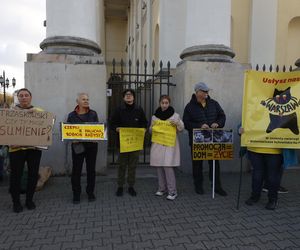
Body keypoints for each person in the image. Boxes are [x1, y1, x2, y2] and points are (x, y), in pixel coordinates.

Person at [183, 82, 227, 196]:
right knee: (197, 164)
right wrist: (199, 126)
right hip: (197, 140)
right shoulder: (189, 107)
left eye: (207, 91)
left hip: (213, 139)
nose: (207, 93)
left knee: (214, 163)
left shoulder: (214, 103)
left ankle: (217, 186)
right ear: (197, 92)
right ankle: (198, 186)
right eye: (204, 91)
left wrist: (218, 123)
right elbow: (186, 123)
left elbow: (222, 116)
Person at [9, 88, 43, 213]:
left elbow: (47, 125)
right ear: (18, 98)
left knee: (33, 175)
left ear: (30, 97)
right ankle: (16, 202)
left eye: (26, 95)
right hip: (16, 149)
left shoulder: (39, 111)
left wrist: (36, 114)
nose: (24, 97)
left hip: (34, 149)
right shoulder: (11, 112)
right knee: (15, 176)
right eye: (21, 95)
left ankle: (29, 200)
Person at [110, 89, 147, 197]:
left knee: (132, 166)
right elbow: (112, 123)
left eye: (131, 94)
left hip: (135, 143)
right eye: (126, 94)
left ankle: (131, 186)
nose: (129, 96)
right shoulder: (118, 110)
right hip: (122, 143)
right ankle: (120, 186)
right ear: (123, 97)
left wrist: (143, 129)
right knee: (122, 165)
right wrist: (116, 128)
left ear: (134, 97)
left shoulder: (139, 110)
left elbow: (144, 122)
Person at [149, 95, 184, 200]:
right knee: (159, 166)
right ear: (159, 103)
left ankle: (172, 191)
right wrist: (152, 127)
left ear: (169, 103)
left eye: (166, 103)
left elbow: (181, 128)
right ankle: (161, 189)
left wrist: (177, 123)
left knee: (168, 167)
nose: (164, 105)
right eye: (162, 103)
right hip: (158, 144)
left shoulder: (175, 116)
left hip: (169, 145)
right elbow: (150, 131)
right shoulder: (155, 117)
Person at [239, 128, 283, 210]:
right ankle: (255, 196)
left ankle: (272, 200)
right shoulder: (251, 114)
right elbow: (244, 123)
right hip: (255, 149)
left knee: (272, 176)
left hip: (274, 149)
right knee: (257, 175)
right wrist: (240, 130)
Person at [67, 93, 99, 204]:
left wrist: (97, 137)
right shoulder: (71, 115)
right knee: (76, 171)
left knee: (91, 170)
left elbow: (98, 129)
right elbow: (68, 131)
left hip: (91, 146)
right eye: (83, 99)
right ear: (77, 101)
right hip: (78, 146)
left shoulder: (93, 113)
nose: (86, 101)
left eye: (87, 99)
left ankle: (90, 192)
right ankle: (76, 194)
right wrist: (72, 138)